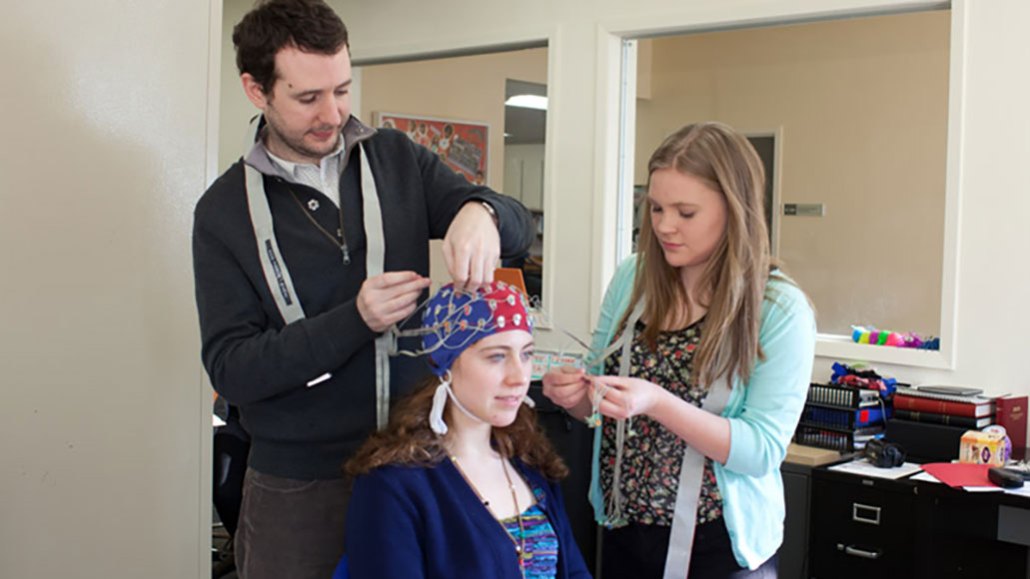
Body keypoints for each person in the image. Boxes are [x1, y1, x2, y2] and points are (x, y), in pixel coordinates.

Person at [190, 1, 535, 577]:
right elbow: (233, 369)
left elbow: (517, 224)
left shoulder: (396, 159)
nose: (332, 114)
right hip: (298, 489)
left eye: (342, 90)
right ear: (256, 90)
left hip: (415, 468)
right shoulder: (223, 213)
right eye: (308, 97)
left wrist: (483, 212)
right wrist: (355, 319)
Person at [543, 122, 815, 578]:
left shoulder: (778, 308)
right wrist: (576, 397)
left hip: (720, 547)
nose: (665, 226)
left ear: (734, 210)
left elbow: (762, 450)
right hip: (623, 530)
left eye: (686, 213)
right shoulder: (633, 278)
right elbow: (599, 397)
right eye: (656, 208)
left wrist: (657, 403)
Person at [342, 282, 592, 579]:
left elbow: (574, 571)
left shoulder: (530, 461)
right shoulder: (393, 485)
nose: (519, 377)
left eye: (526, 354)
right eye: (497, 356)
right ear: (443, 363)